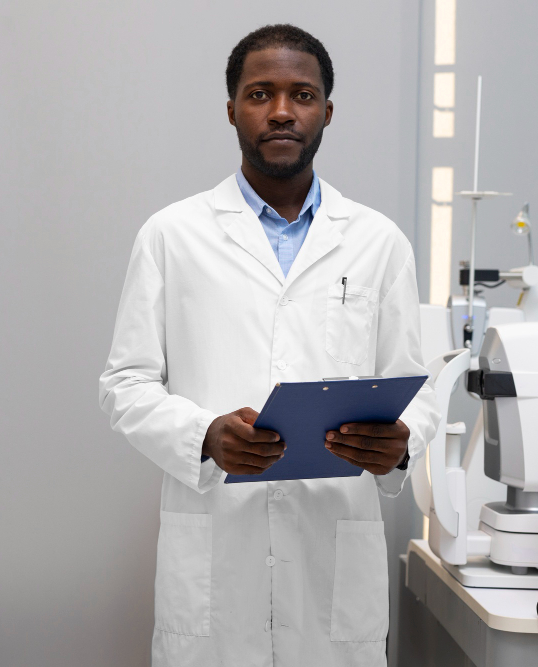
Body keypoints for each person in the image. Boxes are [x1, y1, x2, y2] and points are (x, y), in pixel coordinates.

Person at [98, 24, 442, 667]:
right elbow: (125, 385)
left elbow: (415, 387)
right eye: (260, 94)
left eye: (302, 95)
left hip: (332, 553)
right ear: (232, 109)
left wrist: (401, 444)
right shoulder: (172, 235)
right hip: (217, 554)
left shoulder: (378, 241)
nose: (282, 111)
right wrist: (204, 436)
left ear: (327, 112)